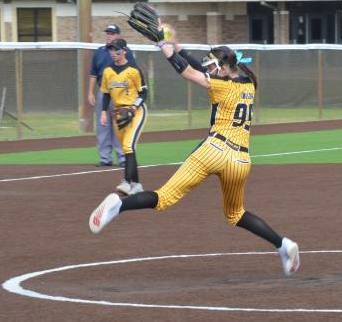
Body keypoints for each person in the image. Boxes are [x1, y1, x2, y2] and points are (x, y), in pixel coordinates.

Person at [89, 26, 300, 277]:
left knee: (164, 197)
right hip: (240, 161)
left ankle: (118, 207)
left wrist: (164, 47)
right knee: (236, 214)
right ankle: (283, 245)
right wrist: (176, 45)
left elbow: (189, 72)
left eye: (212, 67)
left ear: (223, 69)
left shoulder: (222, 86)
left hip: (214, 150)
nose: (209, 70)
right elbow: (201, 70)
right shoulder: (248, 84)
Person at [100, 38, 148, 196]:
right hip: (118, 114)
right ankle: (137, 185)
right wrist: (103, 112)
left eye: (116, 50)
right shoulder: (108, 71)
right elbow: (106, 94)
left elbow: (144, 92)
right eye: (111, 50)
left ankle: (127, 182)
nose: (113, 53)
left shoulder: (134, 69)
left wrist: (134, 107)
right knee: (128, 150)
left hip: (136, 111)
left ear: (124, 51)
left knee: (128, 146)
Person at [88, 24, 136, 167]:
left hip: (120, 93)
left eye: (112, 33)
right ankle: (105, 158)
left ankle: (122, 157)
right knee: (103, 125)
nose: (109, 35)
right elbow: (93, 74)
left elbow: (133, 72)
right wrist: (90, 92)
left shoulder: (126, 52)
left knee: (119, 125)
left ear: (118, 36)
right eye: (108, 33)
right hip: (103, 91)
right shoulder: (99, 52)